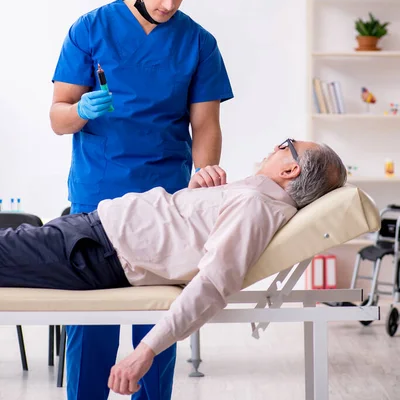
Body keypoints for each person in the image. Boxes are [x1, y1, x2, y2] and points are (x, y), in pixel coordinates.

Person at [0, 138, 347, 395]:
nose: (275, 146)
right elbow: (192, 237)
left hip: (91, 249)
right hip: (90, 236)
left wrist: (144, 352)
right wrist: (196, 193)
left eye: (286, 146)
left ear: (291, 169)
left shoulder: (258, 206)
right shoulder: (256, 196)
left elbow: (212, 282)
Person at [49, 0, 234, 400]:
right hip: (96, 198)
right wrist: (83, 111)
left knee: (156, 329)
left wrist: (202, 183)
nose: (169, 3)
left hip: (164, 206)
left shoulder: (198, 43)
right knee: (91, 328)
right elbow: (58, 116)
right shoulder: (91, 29)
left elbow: (206, 127)